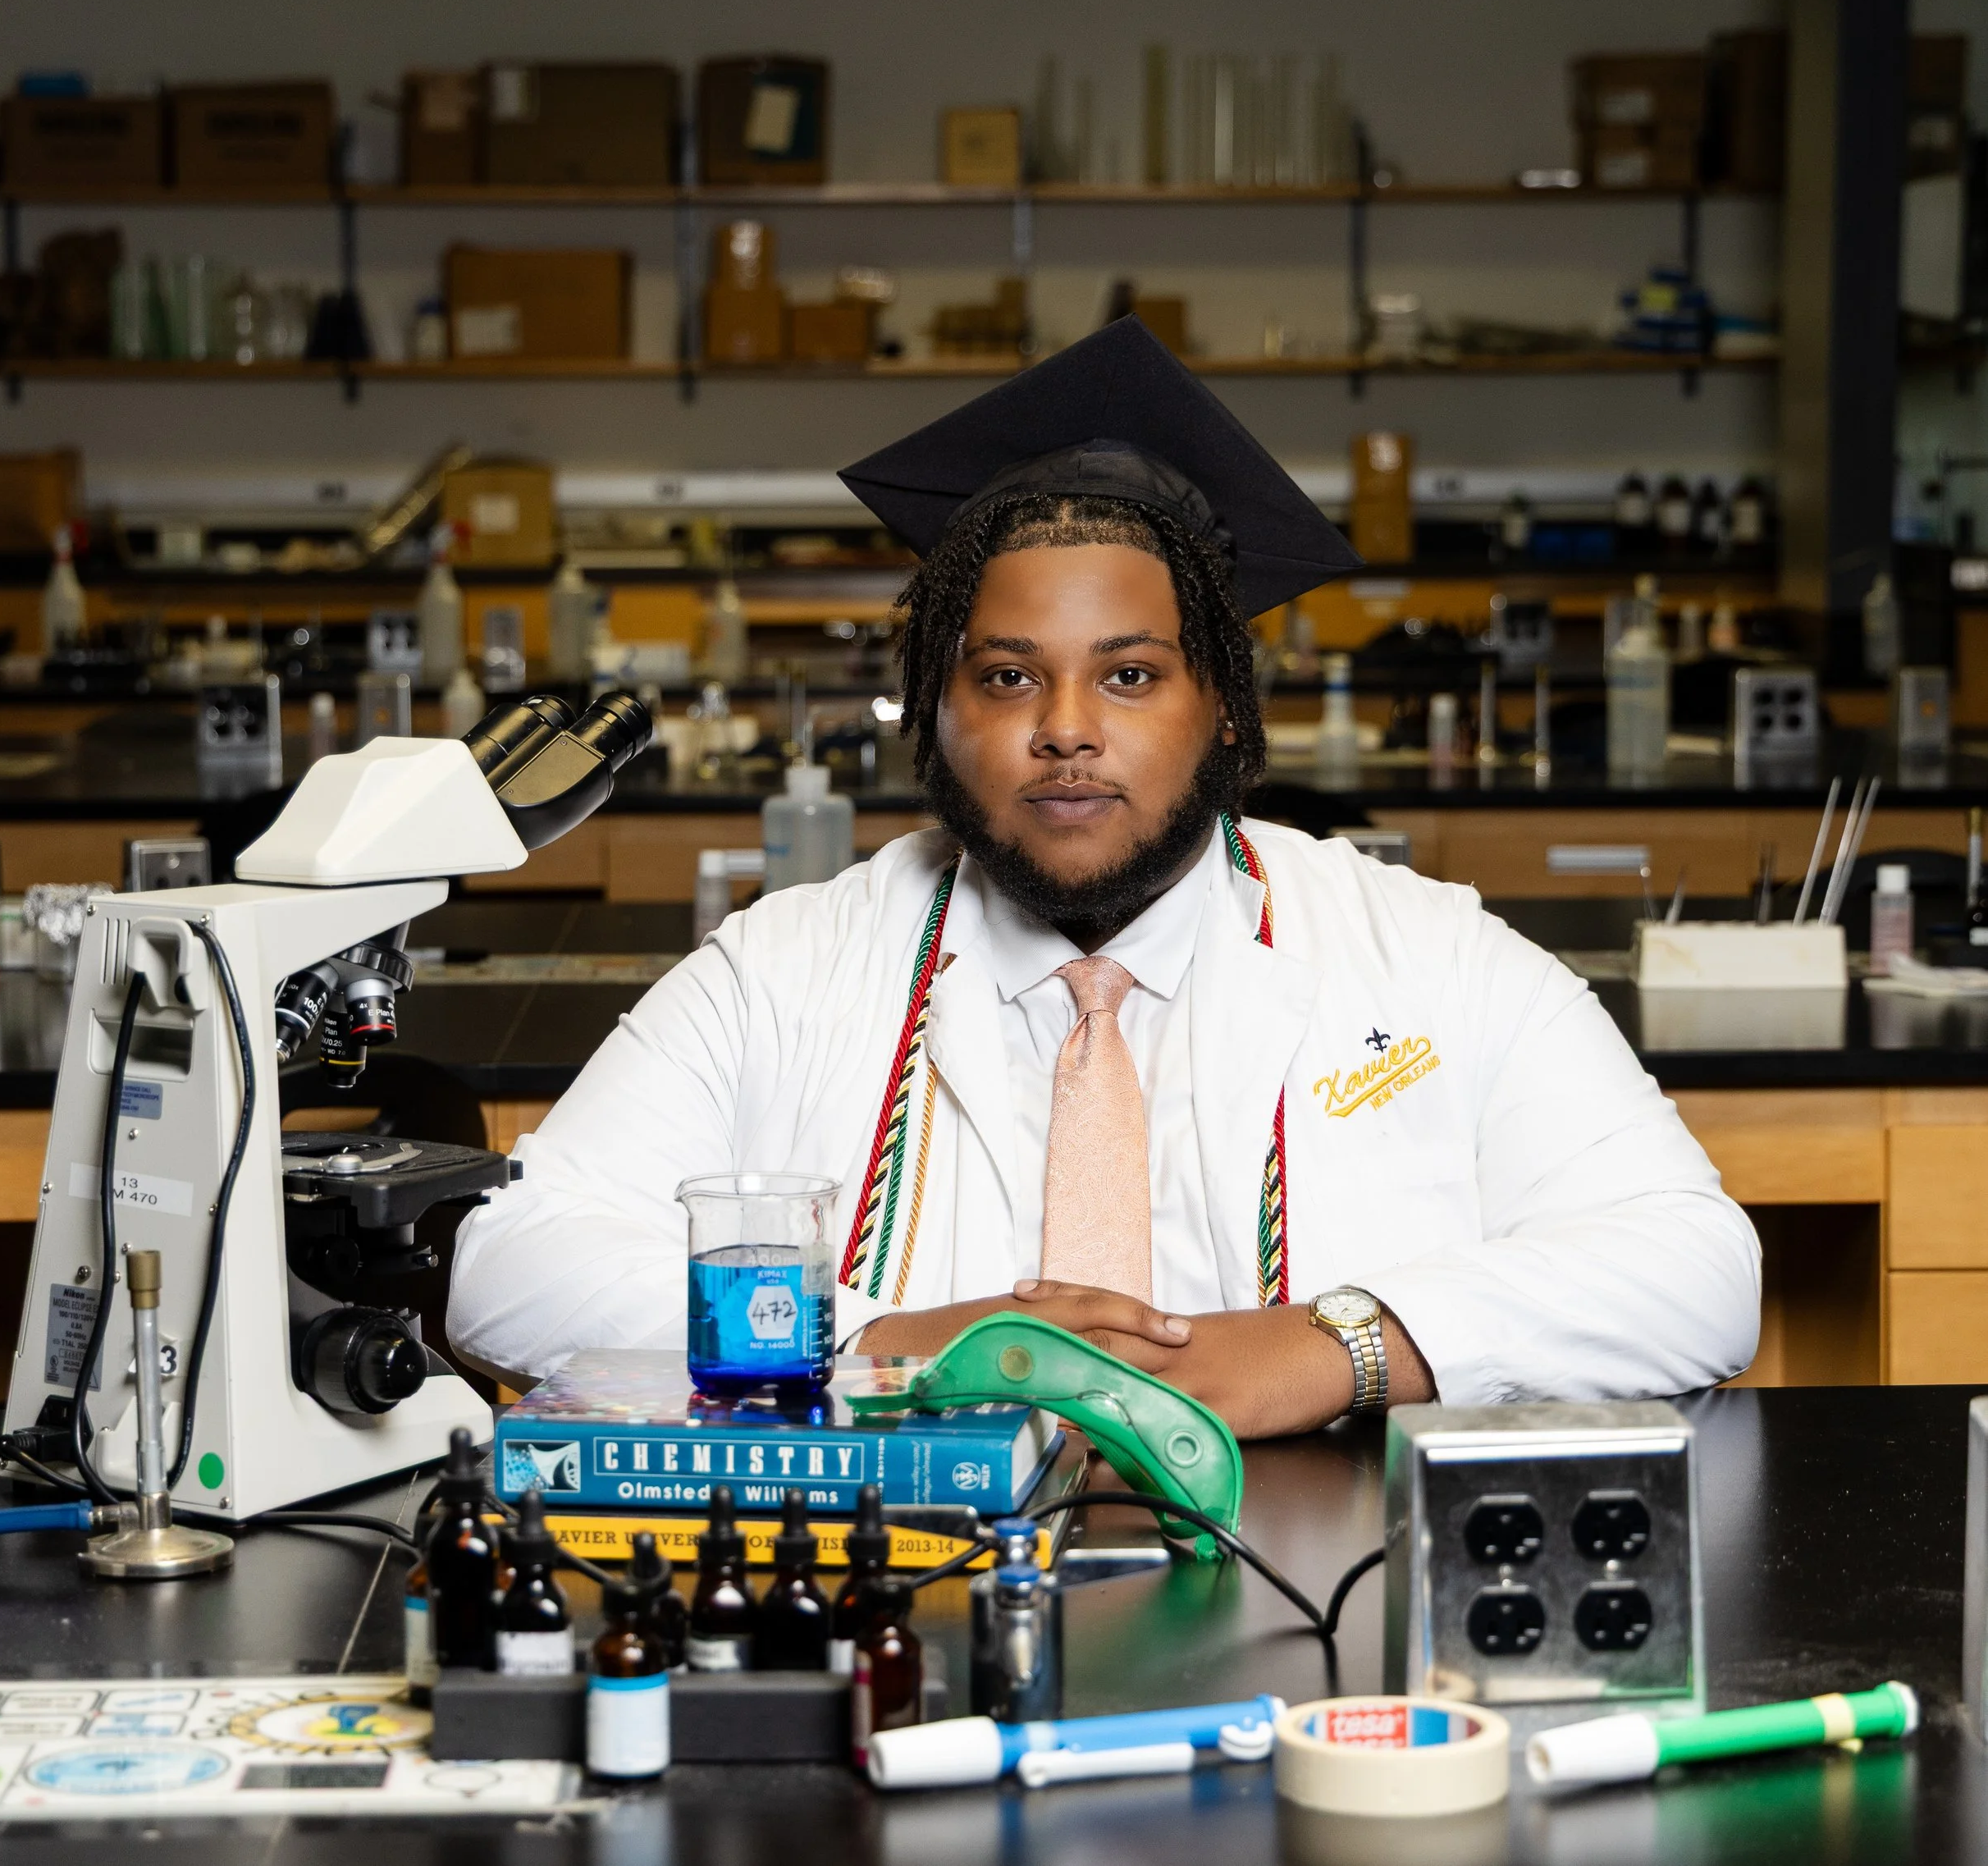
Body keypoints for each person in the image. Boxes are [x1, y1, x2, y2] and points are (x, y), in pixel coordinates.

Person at [448, 320, 1759, 1435]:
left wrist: (1332, 1349)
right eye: (1007, 675)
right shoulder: (783, 969)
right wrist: (890, 1341)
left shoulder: (1432, 957)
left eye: (1130, 675)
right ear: (935, 711)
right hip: (917, 1585)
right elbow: (509, 1266)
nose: (1065, 726)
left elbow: (1698, 1273)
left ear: (1226, 711)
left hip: (1329, 1587)